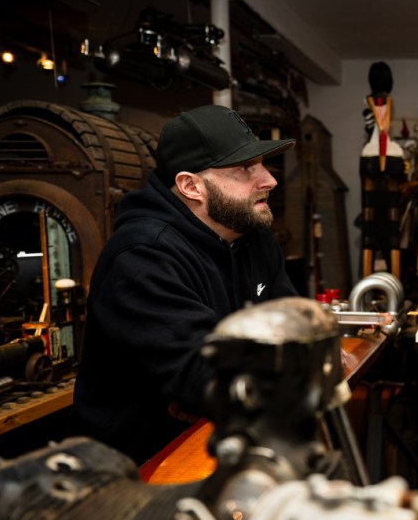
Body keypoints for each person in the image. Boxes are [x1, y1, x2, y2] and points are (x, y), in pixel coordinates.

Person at [70, 105, 298, 464]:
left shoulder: (254, 237)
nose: (269, 180)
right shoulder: (142, 257)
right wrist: (216, 390)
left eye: (262, 165)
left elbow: (293, 328)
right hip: (138, 472)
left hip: (222, 443)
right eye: (244, 169)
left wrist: (223, 390)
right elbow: (207, 379)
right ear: (191, 186)